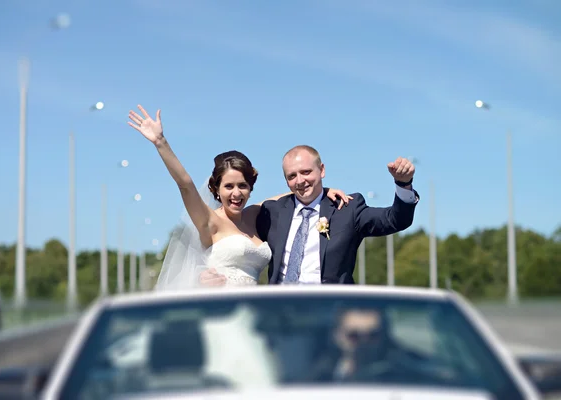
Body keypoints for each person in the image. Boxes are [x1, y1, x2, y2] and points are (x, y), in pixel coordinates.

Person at [127, 105, 350, 289]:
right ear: (217, 189)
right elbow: (185, 185)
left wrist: (323, 191)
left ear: (250, 187)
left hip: (253, 309)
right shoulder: (210, 221)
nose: (236, 193)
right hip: (219, 305)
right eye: (229, 186)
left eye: (242, 186)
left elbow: (294, 192)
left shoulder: (254, 215)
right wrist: (161, 143)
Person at [200, 144, 419, 286]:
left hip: (331, 312)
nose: (300, 180)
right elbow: (230, 228)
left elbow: (395, 219)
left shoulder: (346, 208)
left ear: (321, 170)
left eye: (306, 172)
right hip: (279, 314)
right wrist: (203, 275)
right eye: (292, 176)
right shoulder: (271, 212)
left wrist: (403, 184)